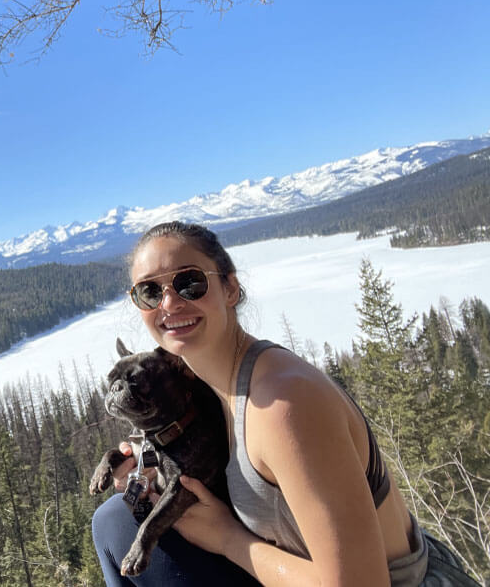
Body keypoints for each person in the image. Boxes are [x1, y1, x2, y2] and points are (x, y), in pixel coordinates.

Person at [92, 221, 479, 586]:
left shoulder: (281, 403)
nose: (169, 303)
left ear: (230, 288)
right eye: (149, 291)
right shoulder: (210, 387)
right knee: (116, 520)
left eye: (189, 283)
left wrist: (227, 539)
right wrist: (152, 461)